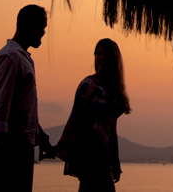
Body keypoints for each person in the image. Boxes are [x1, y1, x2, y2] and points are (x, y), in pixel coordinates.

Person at [0, 5, 55, 192]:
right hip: (9, 150)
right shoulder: (10, 57)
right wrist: (1, 154)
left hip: (21, 147)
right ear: (32, 25)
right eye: (42, 27)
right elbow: (1, 107)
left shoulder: (24, 59)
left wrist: (39, 134)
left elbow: (21, 106)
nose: (44, 33)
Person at [53, 38, 132, 192]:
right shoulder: (88, 84)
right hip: (89, 153)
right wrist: (59, 147)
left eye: (106, 54)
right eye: (99, 54)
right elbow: (74, 118)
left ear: (114, 58)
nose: (101, 58)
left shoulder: (114, 89)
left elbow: (112, 128)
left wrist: (115, 162)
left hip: (104, 155)